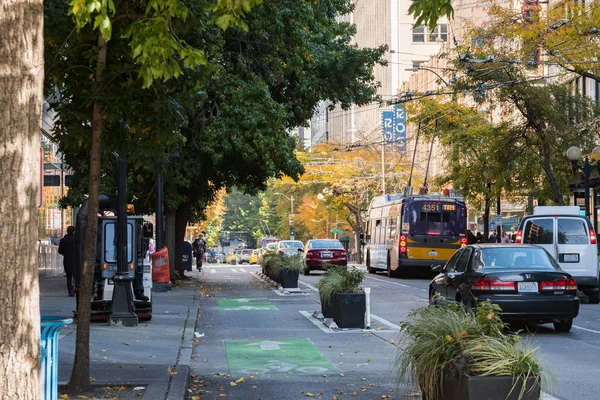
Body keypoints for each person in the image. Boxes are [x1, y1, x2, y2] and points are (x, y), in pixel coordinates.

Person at [58, 226, 76, 297]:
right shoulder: (76, 239)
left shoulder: (63, 240)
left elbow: (60, 251)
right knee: (76, 276)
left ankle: (70, 291)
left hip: (67, 260)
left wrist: (65, 253)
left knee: (69, 276)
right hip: (76, 260)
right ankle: (75, 288)